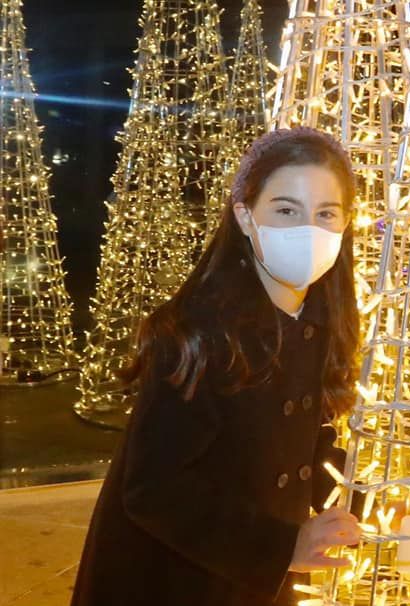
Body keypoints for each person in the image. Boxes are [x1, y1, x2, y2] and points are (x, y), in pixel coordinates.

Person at [72, 127, 363, 606]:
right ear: (246, 216)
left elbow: (312, 437)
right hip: (178, 576)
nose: (308, 231)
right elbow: (153, 488)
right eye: (286, 210)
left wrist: (362, 498)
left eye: (326, 214)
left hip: (259, 575)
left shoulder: (323, 319)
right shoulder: (199, 333)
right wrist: (279, 547)